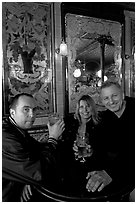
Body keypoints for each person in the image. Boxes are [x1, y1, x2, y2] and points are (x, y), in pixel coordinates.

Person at [2, 93, 65, 201]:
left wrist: (27, 180)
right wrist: (53, 138)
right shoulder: (6, 137)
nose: (32, 115)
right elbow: (42, 172)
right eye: (26, 109)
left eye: (34, 109)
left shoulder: (17, 130)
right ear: (12, 112)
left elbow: (36, 152)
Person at [86, 81, 135, 200]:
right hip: (119, 173)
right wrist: (94, 167)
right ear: (102, 102)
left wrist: (111, 173)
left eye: (114, 95)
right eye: (106, 98)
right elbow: (99, 148)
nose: (111, 101)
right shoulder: (104, 119)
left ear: (122, 95)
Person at [58, 95, 112, 197]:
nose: (85, 110)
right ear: (78, 109)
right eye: (81, 107)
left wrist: (92, 151)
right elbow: (63, 147)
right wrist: (72, 147)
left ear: (93, 108)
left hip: (92, 168)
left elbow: (106, 151)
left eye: (88, 106)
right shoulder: (70, 123)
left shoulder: (101, 125)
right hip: (73, 168)